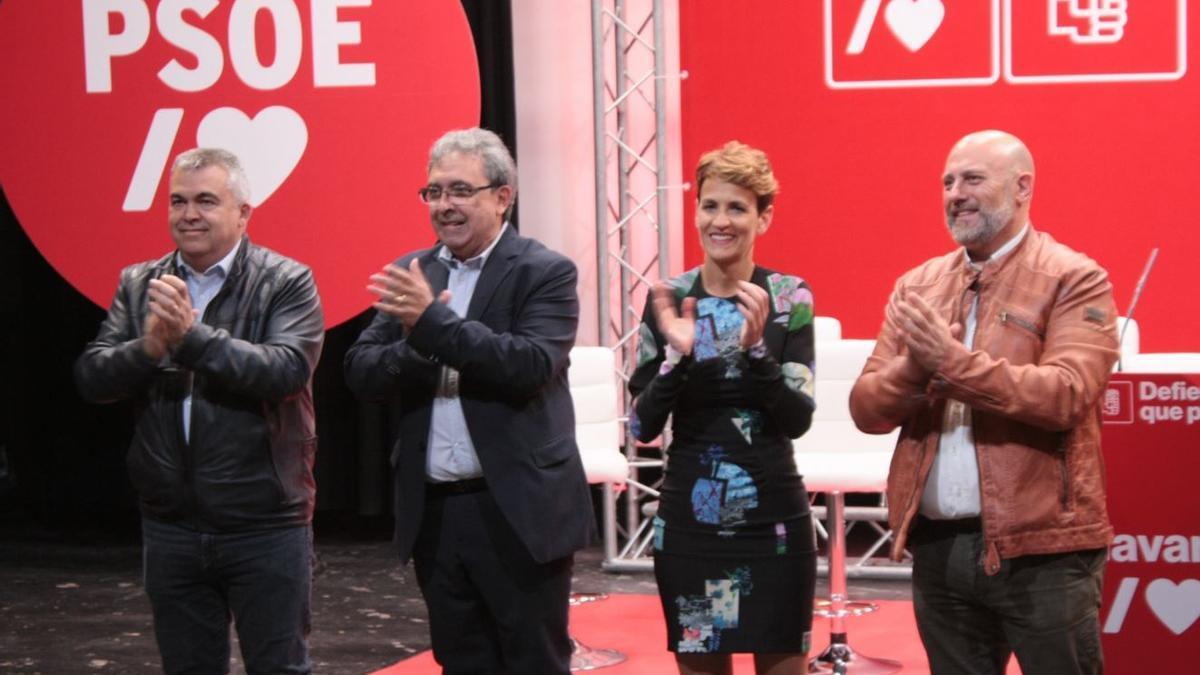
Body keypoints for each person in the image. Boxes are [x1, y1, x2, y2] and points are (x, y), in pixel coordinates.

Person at [849, 130, 1118, 675]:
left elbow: (1066, 393)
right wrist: (908, 372)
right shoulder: (917, 286)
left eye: (972, 178)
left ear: (1023, 187)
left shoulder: (1075, 278)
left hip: (1046, 551)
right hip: (939, 549)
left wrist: (950, 365)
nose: (955, 192)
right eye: (947, 182)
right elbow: (867, 409)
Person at [343, 127, 593, 674]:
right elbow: (361, 371)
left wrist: (432, 325)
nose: (443, 206)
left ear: (503, 196)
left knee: (534, 662)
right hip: (435, 509)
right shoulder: (415, 273)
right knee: (462, 662)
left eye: (459, 190)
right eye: (433, 192)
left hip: (519, 509)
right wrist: (421, 350)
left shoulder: (544, 271)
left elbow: (527, 365)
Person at [74, 148, 325, 674]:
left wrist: (190, 339)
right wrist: (147, 349)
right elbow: (93, 377)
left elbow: (284, 372)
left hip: (265, 521)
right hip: (171, 526)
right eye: (178, 201)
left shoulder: (287, 281)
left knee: (279, 668)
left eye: (206, 201)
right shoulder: (139, 282)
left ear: (243, 212)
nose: (189, 214)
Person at [629, 141, 816, 675]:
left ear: (764, 216)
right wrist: (677, 357)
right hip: (692, 527)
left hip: (774, 524)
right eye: (710, 205)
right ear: (695, 212)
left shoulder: (788, 296)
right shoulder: (670, 297)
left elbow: (797, 418)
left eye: (737, 207)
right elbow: (642, 426)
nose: (721, 221)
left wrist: (756, 352)